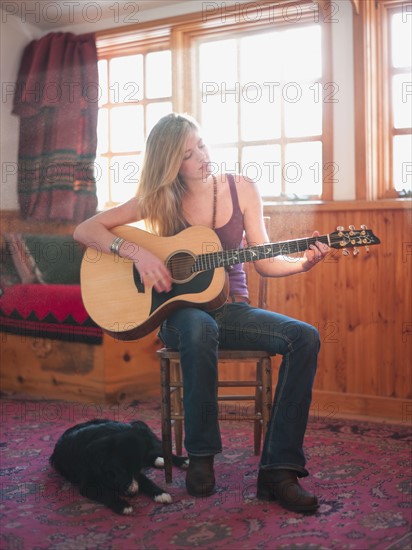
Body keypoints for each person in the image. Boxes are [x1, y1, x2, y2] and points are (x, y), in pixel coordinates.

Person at [74, 112, 329, 513]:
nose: (202, 157)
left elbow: (263, 259)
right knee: (197, 328)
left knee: (306, 336)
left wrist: (299, 263)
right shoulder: (159, 197)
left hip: (231, 311)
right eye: (188, 154)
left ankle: (279, 470)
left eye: (202, 145)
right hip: (178, 317)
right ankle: (202, 456)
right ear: (171, 163)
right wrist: (137, 253)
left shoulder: (241, 188)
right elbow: (85, 230)